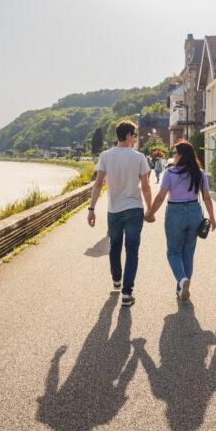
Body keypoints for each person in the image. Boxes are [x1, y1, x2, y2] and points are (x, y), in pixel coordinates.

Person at [88, 121, 152, 307]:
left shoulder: (106, 156)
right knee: (132, 251)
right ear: (129, 135)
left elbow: (98, 184)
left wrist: (91, 209)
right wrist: (149, 209)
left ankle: (116, 279)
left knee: (115, 247)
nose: (136, 138)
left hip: (114, 210)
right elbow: (146, 187)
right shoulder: (139, 157)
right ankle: (126, 293)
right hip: (134, 209)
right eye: (135, 135)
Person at [144, 140, 216, 301]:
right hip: (194, 213)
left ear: (182, 155)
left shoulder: (170, 173)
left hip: (175, 213)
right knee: (188, 252)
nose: (173, 156)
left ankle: (182, 280)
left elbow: (161, 196)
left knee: (173, 252)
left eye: (175, 153)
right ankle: (181, 288)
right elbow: (207, 198)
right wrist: (212, 218)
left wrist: (150, 213)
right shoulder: (200, 173)